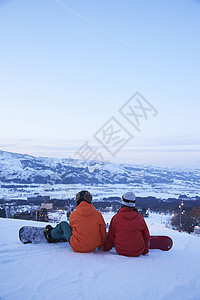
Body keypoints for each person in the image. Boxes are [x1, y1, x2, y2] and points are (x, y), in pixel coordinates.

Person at [103, 192, 150, 257]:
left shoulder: (116, 218)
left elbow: (111, 236)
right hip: (138, 251)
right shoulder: (139, 217)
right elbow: (146, 235)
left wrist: (106, 248)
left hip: (121, 251)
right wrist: (145, 251)